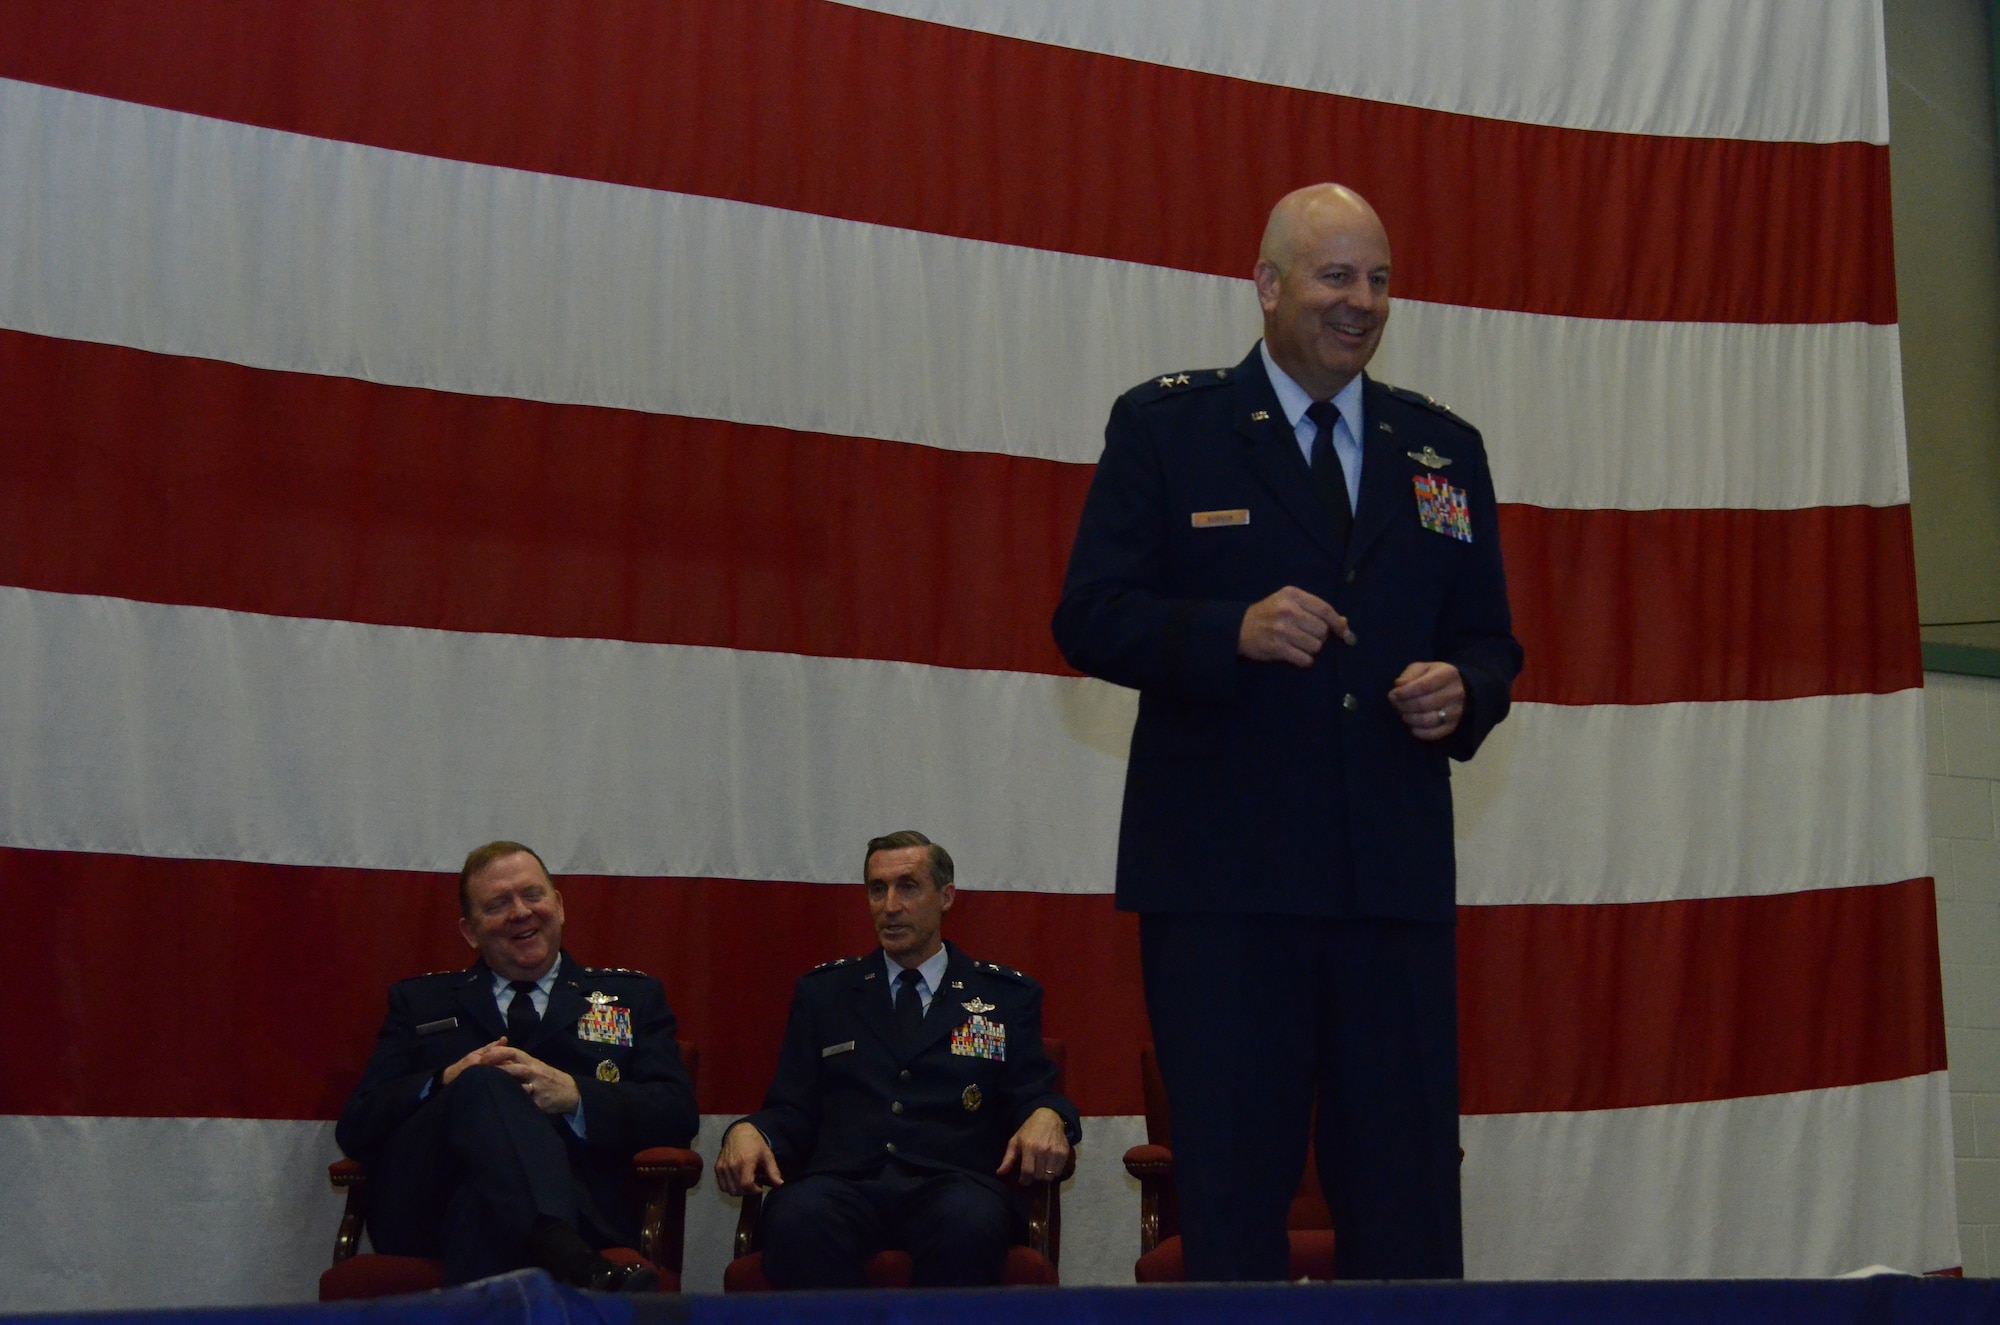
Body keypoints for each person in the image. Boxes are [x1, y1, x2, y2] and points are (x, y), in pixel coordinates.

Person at [1051, 184, 1522, 1281]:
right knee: (1229, 1201)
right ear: (1266, 287)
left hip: (1388, 886)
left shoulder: (1440, 450)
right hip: (1224, 891)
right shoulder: (1168, 426)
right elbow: (1088, 615)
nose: (1360, 303)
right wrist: (1230, 630)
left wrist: (1466, 687)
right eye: (1334, 276)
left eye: (1378, 279)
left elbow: (1491, 637)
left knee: (1405, 1201)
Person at [714, 831, 1082, 1288]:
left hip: (952, 1183)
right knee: (796, 1218)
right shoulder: (825, 993)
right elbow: (793, 1107)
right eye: (877, 889)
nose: (889, 905)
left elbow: (1032, 1093)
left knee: (967, 1224)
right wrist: (749, 1129)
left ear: (946, 896)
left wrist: (1050, 1114)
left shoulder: (1004, 997)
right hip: (843, 1185)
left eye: (908, 887)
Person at [336, 841, 698, 1290]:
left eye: (533, 895)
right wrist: (448, 1079)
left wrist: (575, 1096)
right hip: (428, 1204)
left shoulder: (633, 999)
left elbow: (675, 1113)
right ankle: (568, 1255)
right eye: (498, 904)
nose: (521, 912)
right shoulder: (419, 1003)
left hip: (577, 1204)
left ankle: (552, 1241)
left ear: (559, 906)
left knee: (483, 1208)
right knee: (482, 1081)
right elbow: (357, 1124)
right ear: (470, 931)